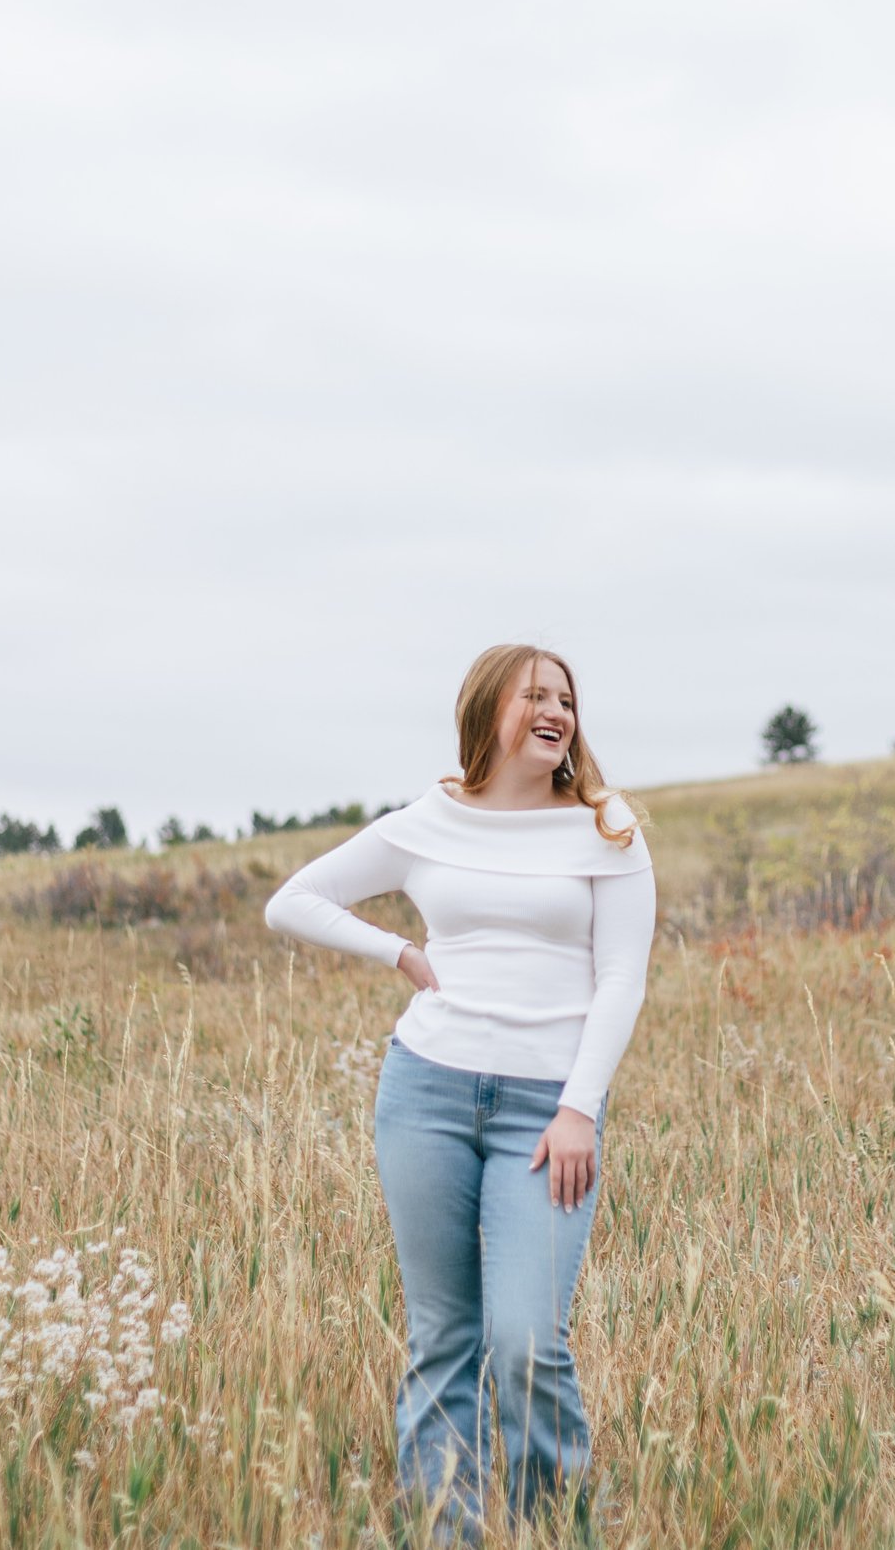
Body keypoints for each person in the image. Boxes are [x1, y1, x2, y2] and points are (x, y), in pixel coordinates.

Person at [263, 643, 658, 1546]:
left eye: (566, 699)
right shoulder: (428, 820)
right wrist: (398, 952)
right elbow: (295, 899)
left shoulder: (607, 828)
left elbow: (622, 978)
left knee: (526, 1342)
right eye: (535, 695)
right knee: (445, 1338)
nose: (556, 711)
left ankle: (554, 1528)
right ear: (488, 711)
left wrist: (578, 1107)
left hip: (545, 1112)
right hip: (425, 1094)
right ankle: (448, 1529)